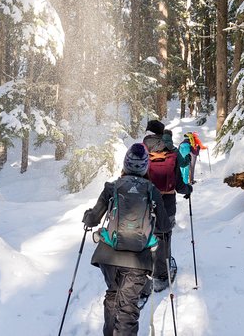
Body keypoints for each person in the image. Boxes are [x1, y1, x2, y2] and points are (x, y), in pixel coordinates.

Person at [82, 143, 171, 336]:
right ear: (146, 166)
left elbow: (93, 219)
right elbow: (164, 225)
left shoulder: (112, 187)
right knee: (128, 307)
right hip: (138, 260)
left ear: (125, 164)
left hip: (109, 256)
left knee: (113, 296)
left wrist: (87, 215)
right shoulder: (151, 190)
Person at [143, 120, 192, 292]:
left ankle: (143, 273)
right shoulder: (171, 151)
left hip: (145, 201)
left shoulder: (141, 149)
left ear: (148, 132)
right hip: (167, 202)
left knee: (144, 234)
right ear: (161, 133)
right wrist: (188, 189)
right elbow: (179, 184)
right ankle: (162, 276)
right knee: (163, 235)